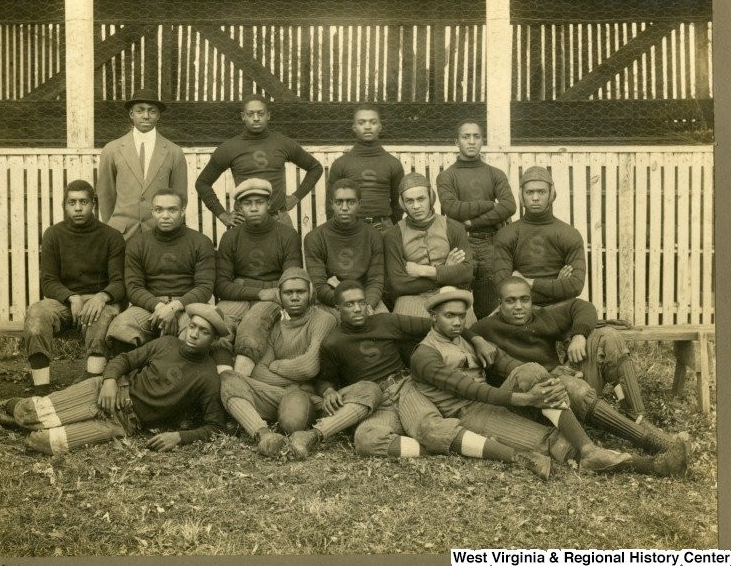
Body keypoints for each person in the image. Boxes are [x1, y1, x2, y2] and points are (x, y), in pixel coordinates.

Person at [407, 287, 688, 477]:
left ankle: (599, 447)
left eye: (460, 316)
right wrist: (523, 399)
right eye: (449, 316)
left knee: (531, 370)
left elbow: (508, 363)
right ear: (433, 317)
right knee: (555, 445)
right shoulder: (425, 354)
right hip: (469, 413)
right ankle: (651, 465)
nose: (457, 322)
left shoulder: (467, 338)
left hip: (496, 403)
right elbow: (470, 389)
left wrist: (550, 380)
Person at [289, 280, 541, 476]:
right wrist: (328, 390)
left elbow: (438, 323)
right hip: (376, 400)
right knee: (366, 439)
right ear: (337, 309)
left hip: (407, 387)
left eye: (361, 302)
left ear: (368, 303)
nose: (357, 309)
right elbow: (324, 378)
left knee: (429, 427)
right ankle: (445, 446)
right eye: (349, 304)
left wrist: (475, 338)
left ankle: (507, 453)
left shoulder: (387, 320)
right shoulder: (333, 341)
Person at [472, 277, 689, 458]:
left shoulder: (541, 315)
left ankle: (639, 418)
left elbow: (581, 306)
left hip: (561, 387)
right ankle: (646, 440)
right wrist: (475, 338)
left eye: (524, 300)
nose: (518, 307)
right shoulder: (485, 328)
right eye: (510, 301)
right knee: (567, 384)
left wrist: (578, 335)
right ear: (499, 304)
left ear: (532, 301)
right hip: (529, 403)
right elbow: (461, 331)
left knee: (607, 336)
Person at [0, 303, 229, 455]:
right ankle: (8, 407)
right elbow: (123, 360)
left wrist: (178, 437)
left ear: (214, 340)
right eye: (193, 326)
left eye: (203, 332)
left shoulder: (208, 376)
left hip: (123, 422)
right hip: (106, 391)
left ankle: (26, 422)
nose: (194, 334)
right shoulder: (166, 344)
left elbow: (214, 426)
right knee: (30, 413)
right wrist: (109, 381)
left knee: (43, 442)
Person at [219, 268, 337, 458]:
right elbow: (258, 372)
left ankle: (266, 420)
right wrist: (290, 378)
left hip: (304, 393)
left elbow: (309, 367)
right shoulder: (275, 324)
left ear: (311, 293)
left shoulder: (323, 320)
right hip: (276, 392)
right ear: (280, 296)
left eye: (301, 292)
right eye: (288, 293)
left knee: (291, 422)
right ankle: (263, 435)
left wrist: (276, 365)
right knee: (229, 379)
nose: (295, 297)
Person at [23, 180, 125, 395]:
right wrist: (71, 297)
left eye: (84, 202)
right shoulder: (53, 235)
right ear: (64, 205)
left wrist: (102, 296)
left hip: (98, 302)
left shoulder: (112, 237)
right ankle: (42, 391)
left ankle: (91, 385)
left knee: (104, 314)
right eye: (72, 202)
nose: (78, 208)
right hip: (65, 303)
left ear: (93, 204)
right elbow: (48, 281)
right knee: (37, 313)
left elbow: (120, 281)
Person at [106, 189, 218, 356]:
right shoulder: (138, 243)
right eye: (159, 210)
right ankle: (128, 376)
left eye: (172, 210)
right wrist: (160, 307)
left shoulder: (201, 242)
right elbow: (133, 287)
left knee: (196, 334)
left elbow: (205, 287)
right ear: (152, 212)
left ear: (182, 211)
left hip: (189, 305)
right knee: (120, 326)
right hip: (150, 307)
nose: (165, 216)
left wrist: (174, 307)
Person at [214, 179, 303, 373]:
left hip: (274, 296)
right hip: (244, 295)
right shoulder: (230, 237)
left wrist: (269, 293)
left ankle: (239, 380)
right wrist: (261, 292)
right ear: (239, 207)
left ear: (269, 204)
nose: (254, 208)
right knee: (219, 321)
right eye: (247, 203)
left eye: (259, 202)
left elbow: (291, 280)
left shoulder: (287, 235)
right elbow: (221, 285)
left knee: (253, 324)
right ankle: (223, 376)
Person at [195, 94, 323, 228]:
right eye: (250, 114)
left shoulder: (283, 143)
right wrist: (223, 215)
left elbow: (315, 167)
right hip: (244, 220)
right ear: (243, 116)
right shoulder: (229, 148)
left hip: (278, 219)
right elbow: (202, 183)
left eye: (260, 113)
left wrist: (296, 197)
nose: (256, 118)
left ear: (268, 116)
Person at [436, 120, 516, 318]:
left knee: (490, 302)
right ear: (457, 142)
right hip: (461, 244)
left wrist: (473, 222)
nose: (471, 141)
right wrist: (490, 204)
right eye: (466, 137)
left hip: (491, 243)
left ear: (482, 141)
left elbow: (509, 206)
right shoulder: (447, 176)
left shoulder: (495, 174)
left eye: (476, 137)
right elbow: (451, 208)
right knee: (457, 303)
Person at [97, 88, 188, 241]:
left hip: (159, 233)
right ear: (131, 114)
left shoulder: (174, 152)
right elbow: (106, 194)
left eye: (152, 111)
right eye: (140, 111)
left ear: (158, 115)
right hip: (122, 234)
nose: (146, 116)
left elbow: (180, 196)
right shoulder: (112, 149)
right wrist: (113, 225)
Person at [383, 172, 473, 317]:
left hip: (449, 291)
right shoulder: (393, 235)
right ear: (402, 203)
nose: (416, 206)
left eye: (421, 199)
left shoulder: (453, 227)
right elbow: (398, 283)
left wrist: (423, 271)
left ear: (431, 198)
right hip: (411, 297)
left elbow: (466, 273)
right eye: (409, 201)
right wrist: (446, 273)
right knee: (405, 324)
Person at [492, 166, 585, 306]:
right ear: (521, 195)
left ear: (551, 194)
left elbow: (575, 286)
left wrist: (529, 282)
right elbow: (503, 287)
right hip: (520, 309)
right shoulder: (506, 234)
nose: (535, 198)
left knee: (586, 309)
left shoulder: (569, 234)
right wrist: (556, 287)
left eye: (541, 192)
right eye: (530, 192)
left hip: (559, 308)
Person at [304, 178, 388, 317]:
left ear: (359, 204)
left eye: (350, 202)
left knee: (383, 324)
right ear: (332, 204)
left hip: (365, 300)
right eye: (339, 202)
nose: (344, 207)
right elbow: (319, 286)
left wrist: (367, 304)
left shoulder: (373, 236)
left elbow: (375, 280)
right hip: (331, 301)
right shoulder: (315, 237)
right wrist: (348, 303)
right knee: (327, 326)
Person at [325, 105, 404, 231]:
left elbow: (398, 202)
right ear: (354, 128)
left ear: (380, 126)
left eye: (373, 122)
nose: (368, 127)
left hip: (384, 228)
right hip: (350, 228)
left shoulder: (392, 163)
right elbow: (331, 204)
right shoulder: (341, 164)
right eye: (362, 123)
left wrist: (390, 228)